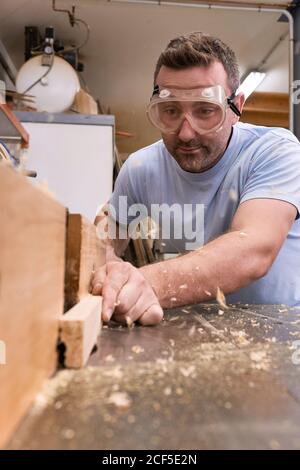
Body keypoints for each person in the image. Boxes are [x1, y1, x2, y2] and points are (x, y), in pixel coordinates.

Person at [90, 32, 300, 326]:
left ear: (236, 107)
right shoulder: (140, 169)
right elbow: (105, 237)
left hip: (280, 330)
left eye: (205, 111)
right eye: (171, 111)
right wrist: (107, 270)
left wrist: (148, 283)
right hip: (197, 326)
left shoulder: (274, 151)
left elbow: (253, 249)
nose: (186, 133)